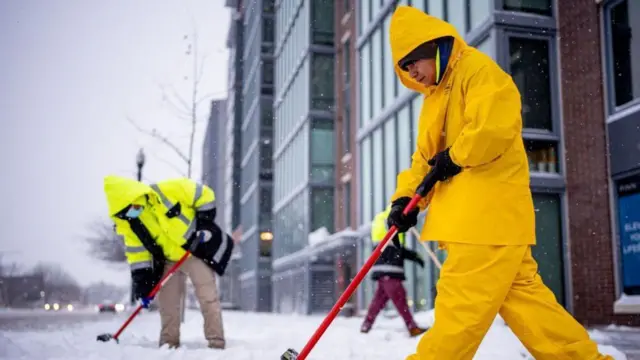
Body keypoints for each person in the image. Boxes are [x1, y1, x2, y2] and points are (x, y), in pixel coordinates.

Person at [385, 6, 612, 360]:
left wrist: (455, 156)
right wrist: (405, 201)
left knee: (457, 316)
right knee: (530, 308)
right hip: (490, 225)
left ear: (432, 47)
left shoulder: (477, 72)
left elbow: (494, 127)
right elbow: (424, 162)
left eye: (413, 61)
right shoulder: (434, 100)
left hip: (482, 220)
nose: (411, 71)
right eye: (404, 67)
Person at [103, 175, 234, 350]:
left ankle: (216, 343)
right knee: (168, 305)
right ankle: (168, 345)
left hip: (193, 252)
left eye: (130, 208)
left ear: (136, 196)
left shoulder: (168, 190)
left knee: (208, 298)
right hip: (167, 261)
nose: (131, 213)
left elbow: (205, 194)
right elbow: (138, 255)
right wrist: (142, 286)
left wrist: (204, 225)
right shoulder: (132, 224)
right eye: (126, 213)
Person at [360, 206, 429, 337]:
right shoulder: (392, 218)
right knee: (400, 298)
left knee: (379, 300)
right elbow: (398, 250)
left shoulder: (382, 219)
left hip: (383, 270)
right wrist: (415, 256)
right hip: (390, 270)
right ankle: (412, 327)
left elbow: (398, 250)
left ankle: (366, 324)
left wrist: (414, 256)